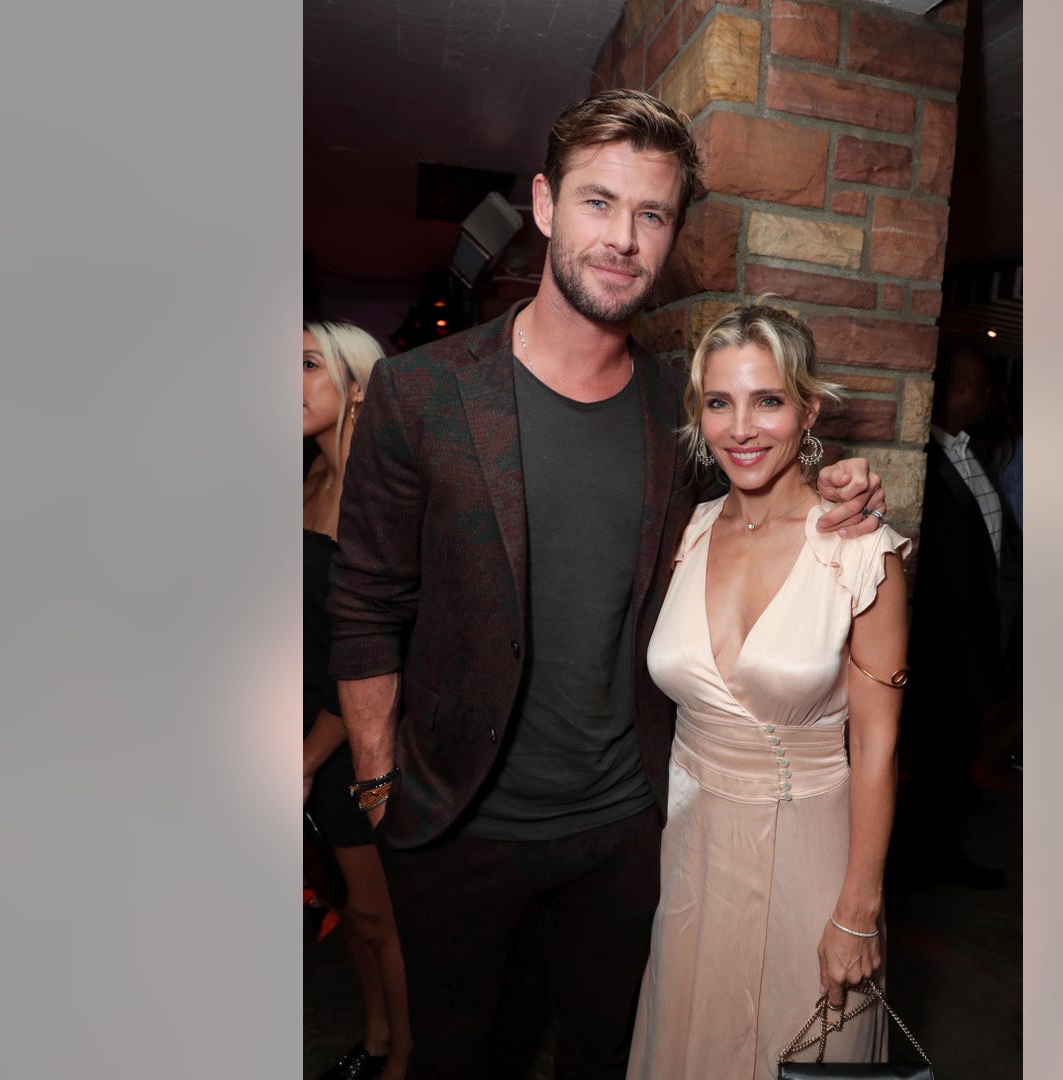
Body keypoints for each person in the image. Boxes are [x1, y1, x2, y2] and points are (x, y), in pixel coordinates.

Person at [326, 89, 888, 1080]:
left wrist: (839, 477)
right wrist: (379, 779)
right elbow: (366, 600)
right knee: (456, 1059)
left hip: (627, 829)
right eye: (598, 202)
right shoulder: (425, 393)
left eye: (652, 214)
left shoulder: (680, 421)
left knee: (606, 1055)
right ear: (545, 205)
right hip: (458, 825)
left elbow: (766, 494)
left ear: (673, 233)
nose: (622, 238)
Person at [626, 304, 910, 1077]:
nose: (741, 428)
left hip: (814, 860)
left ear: (807, 410)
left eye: (768, 400)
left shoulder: (862, 553)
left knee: (798, 1046)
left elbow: (877, 745)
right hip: (692, 856)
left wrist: (858, 910)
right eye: (719, 402)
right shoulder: (684, 532)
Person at [303, 320, 412, 1080]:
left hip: (349, 742)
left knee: (381, 918)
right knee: (347, 910)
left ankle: (402, 1055)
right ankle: (373, 1040)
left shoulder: (378, 506)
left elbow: (375, 655)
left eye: (306, 365)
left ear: (356, 386)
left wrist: (304, 757)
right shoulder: (305, 479)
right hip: (303, 730)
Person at [895, 340, 1023, 887]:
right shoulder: (925, 461)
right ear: (951, 387)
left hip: (978, 641)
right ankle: (918, 868)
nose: (989, 392)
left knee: (956, 761)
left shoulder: (972, 453)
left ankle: (940, 857)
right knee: (933, 763)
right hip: (942, 648)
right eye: (978, 381)